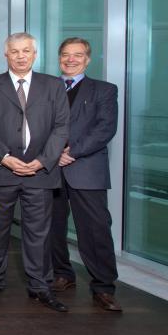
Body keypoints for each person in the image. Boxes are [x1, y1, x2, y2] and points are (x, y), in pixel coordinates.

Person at [0, 32, 70, 313]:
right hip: (1, 172)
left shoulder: (53, 86)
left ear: (35, 54)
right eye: (14, 51)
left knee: (38, 234)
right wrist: (5, 158)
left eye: (26, 51)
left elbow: (61, 127)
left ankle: (40, 286)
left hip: (40, 172)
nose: (20, 56)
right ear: (6, 54)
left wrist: (42, 161)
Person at [48, 37, 122, 312]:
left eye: (77, 55)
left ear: (87, 59)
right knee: (52, 227)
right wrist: (52, 154)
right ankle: (62, 275)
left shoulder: (104, 90)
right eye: (66, 55)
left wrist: (72, 152)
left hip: (86, 169)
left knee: (95, 229)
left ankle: (103, 287)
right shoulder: (47, 88)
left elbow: (105, 129)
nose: (71, 60)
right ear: (59, 58)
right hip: (51, 169)